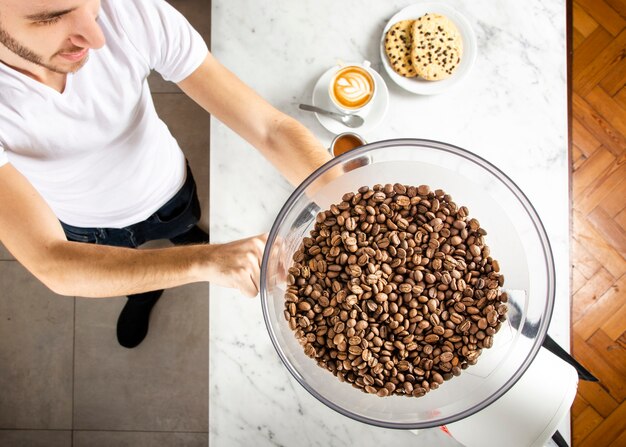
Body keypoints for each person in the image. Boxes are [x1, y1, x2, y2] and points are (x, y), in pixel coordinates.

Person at [0, 0, 331, 347]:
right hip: (83, 227)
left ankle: (186, 243)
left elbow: (268, 128)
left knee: (185, 231)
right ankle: (143, 293)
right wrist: (203, 261)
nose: (98, 40)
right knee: (139, 269)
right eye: (50, 19)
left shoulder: (131, 11)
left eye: (92, 8)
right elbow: (52, 260)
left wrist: (345, 194)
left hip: (168, 190)